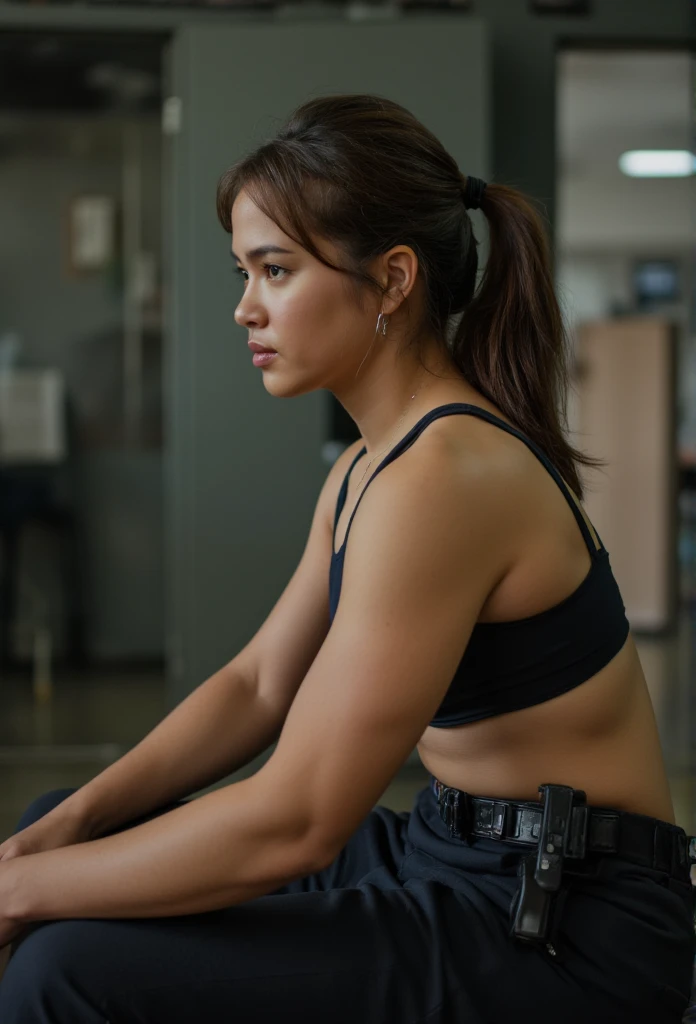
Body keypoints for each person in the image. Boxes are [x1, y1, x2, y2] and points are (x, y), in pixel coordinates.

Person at [0, 93, 693, 1024]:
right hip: (452, 850)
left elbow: (299, 819)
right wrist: (68, 829)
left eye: (274, 270)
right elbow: (257, 685)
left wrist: (23, 893)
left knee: (63, 968)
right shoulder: (373, 464)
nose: (245, 306)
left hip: (566, 923)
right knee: (54, 821)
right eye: (244, 270)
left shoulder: (446, 475)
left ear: (395, 279)